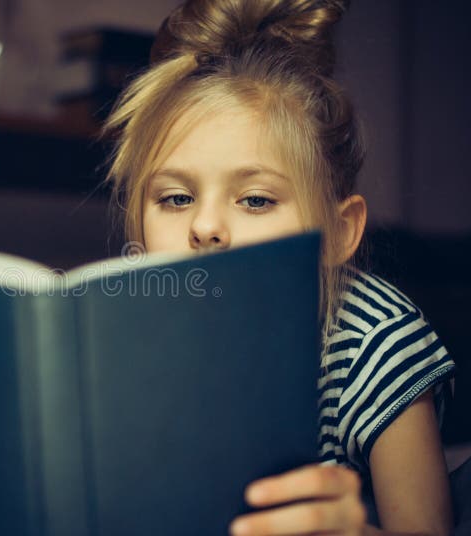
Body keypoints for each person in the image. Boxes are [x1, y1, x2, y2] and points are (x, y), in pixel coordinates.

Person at [102, 0, 456, 534]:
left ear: (338, 233)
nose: (206, 227)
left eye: (256, 200)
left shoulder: (375, 342)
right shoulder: (131, 330)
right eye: (176, 199)